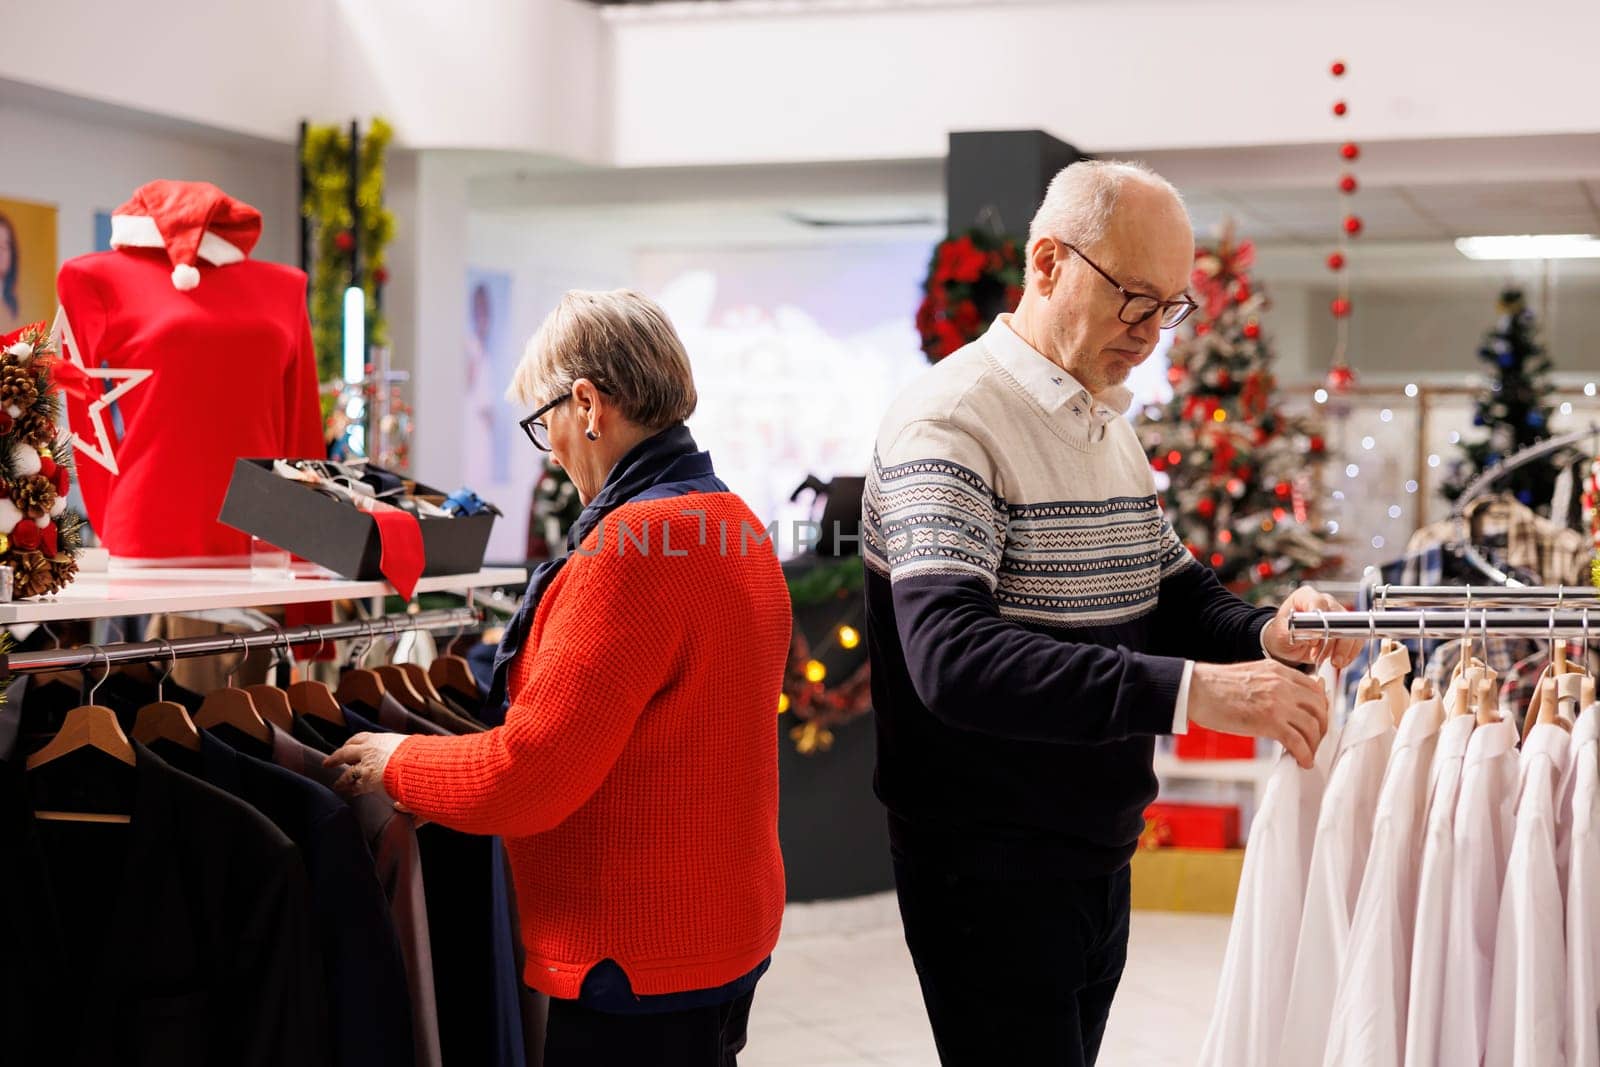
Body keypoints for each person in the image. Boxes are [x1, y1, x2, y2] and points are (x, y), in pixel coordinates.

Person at [861, 159, 1363, 1067]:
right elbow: (953, 657)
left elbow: (1168, 587)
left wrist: (1263, 632)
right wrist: (1190, 694)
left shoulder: (1102, 419)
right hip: (988, 864)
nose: (1151, 334)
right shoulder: (951, 420)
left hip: (1093, 843)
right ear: (1047, 263)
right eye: (1134, 297)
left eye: (1170, 307)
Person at [328, 289, 792, 1067]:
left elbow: (531, 774)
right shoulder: (731, 521)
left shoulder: (632, 547)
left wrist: (395, 759)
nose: (547, 445)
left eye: (543, 421)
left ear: (587, 404)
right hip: (721, 933)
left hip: (635, 958)